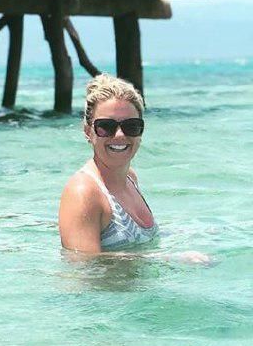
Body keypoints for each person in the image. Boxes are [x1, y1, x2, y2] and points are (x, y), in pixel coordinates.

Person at [58, 74, 210, 262]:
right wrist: (171, 258)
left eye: (131, 126)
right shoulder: (83, 192)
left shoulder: (130, 178)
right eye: (106, 126)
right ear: (88, 131)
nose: (120, 135)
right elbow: (84, 267)